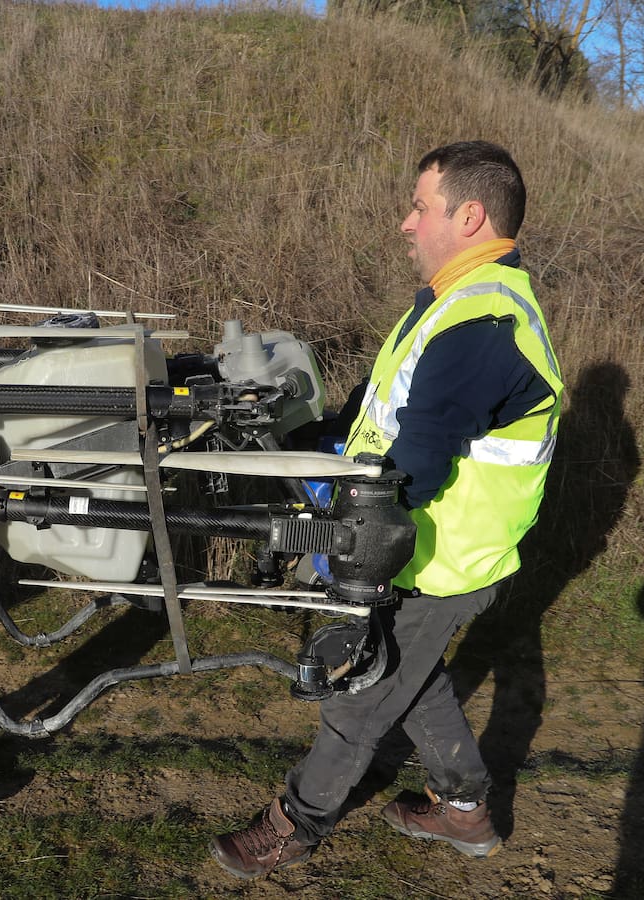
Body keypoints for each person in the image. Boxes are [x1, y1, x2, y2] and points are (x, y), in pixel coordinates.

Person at [210, 141, 563, 879]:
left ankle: (296, 823)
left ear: (470, 215)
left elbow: (420, 461)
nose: (406, 223)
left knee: (363, 691)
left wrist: (342, 537)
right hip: (422, 543)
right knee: (410, 672)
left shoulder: (482, 325)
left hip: (441, 553)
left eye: (419, 205)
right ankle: (465, 809)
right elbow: (385, 414)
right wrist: (320, 445)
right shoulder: (452, 304)